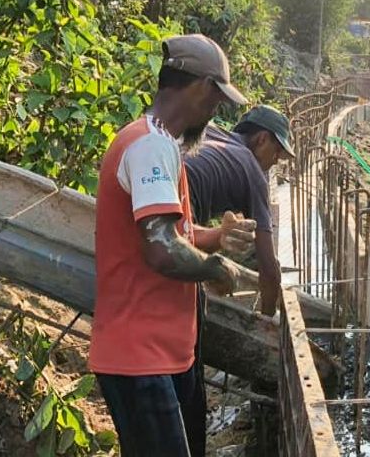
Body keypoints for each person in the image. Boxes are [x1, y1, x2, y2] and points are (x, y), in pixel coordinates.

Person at [89, 34, 257, 457]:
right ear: (200, 87)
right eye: (216, 99)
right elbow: (162, 248)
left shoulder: (159, 144)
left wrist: (215, 236)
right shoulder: (148, 145)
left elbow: (170, 232)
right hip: (140, 356)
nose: (215, 110)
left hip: (160, 354)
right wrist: (218, 268)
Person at [184, 105, 296, 317]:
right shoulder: (252, 170)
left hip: (157, 187)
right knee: (192, 298)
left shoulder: (212, 132)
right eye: (277, 153)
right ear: (262, 139)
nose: (275, 162)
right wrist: (267, 321)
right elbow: (269, 269)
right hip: (181, 200)